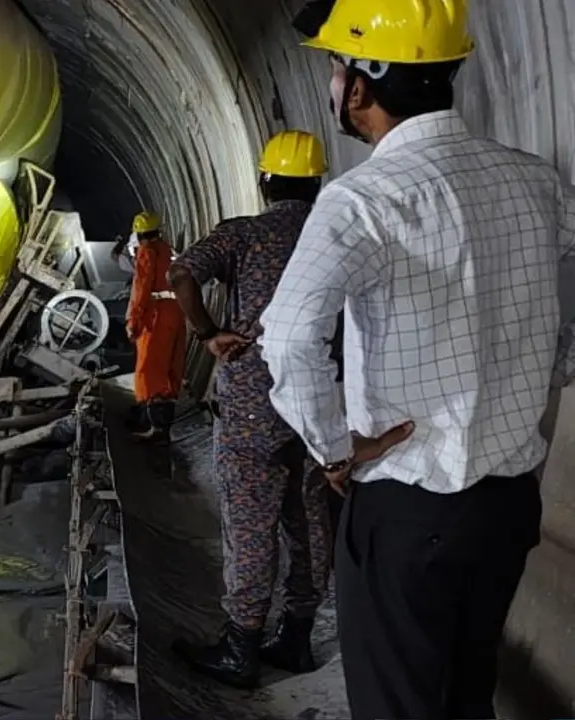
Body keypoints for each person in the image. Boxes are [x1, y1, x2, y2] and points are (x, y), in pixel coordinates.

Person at [261, 1, 574, 717]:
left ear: (360, 87)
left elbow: (290, 338)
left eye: (335, 67)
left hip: (409, 509)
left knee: (399, 704)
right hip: (506, 506)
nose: (332, 84)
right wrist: (556, 359)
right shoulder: (532, 181)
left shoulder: (361, 202)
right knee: (466, 694)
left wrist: (335, 448)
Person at [168, 131, 333, 688]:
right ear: (317, 183)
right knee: (309, 517)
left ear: (265, 182)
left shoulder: (244, 234)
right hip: (319, 399)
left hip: (252, 403)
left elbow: (181, 274)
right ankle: (297, 636)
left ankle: (241, 645)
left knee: (250, 520)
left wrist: (208, 333)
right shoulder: (334, 231)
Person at [123, 211, 186, 441]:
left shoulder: (146, 252)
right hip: (176, 311)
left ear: (139, 235)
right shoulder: (168, 251)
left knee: (148, 368)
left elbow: (141, 288)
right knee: (170, 368)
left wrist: (133, 321)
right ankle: (164, 425)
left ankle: (152, 426)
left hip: (156, 314)